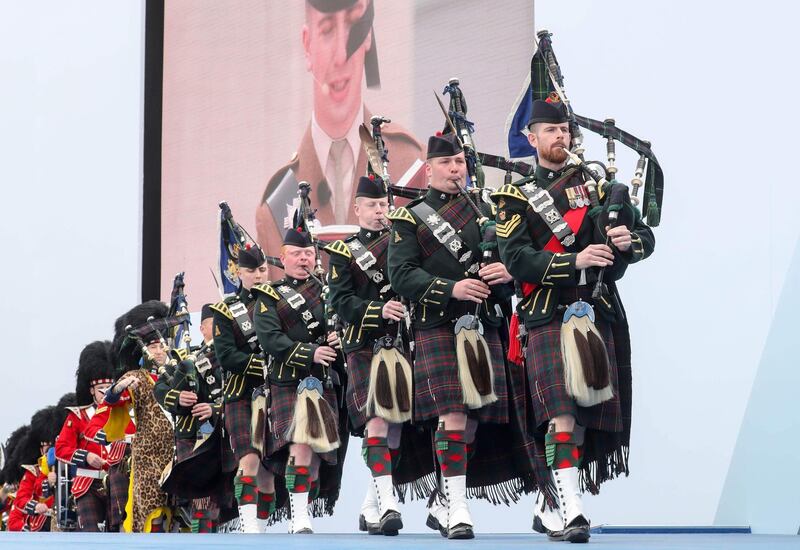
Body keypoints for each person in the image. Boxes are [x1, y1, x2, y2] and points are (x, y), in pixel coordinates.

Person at [493, 99, 655, 543]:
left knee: (580, 414)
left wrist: (626, 240)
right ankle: (573, 511)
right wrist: (575, 260)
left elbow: (645, 238)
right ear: (532, 139)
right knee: (560, 412)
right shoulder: (514, 197)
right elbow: (517, 259)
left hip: (594, 311)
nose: (560, 137)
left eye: (564, 130)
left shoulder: (600, 188)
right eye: (550, 131)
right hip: (546, 313)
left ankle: (550, 503)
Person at [387, 133, 525, 539]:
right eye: (446, 163)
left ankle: (447, 498)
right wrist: (452, 288)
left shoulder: (490, 212)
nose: (454, 169)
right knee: (453, 413)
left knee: (472, 420)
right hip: (438, 324)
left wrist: (508, 274)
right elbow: (402, 273)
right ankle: (458, 506)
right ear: (429, 169)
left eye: (460, 162)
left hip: (483, 324)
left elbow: (512, 258)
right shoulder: (410, 217)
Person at [256, 0, 424, 267]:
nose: (340, 54)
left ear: (367, 36)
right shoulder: (277, 203)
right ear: (307, 43)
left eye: (353, 28)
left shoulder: (410, 160)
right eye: (326, 30)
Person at [326, 175, 436, 535]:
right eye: (372, 206)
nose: (379, 211)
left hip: (405, 341)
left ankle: (373, 503)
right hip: (365, 344)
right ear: (357, 208)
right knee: (376, 420)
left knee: (396, 426)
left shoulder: (403, 239)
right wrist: (377, 311)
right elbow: (340, 302)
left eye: (384, 205)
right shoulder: (343, 253)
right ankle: (388, 504)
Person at [253, 228, 347, 534]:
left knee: (318, 454)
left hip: (323, 381)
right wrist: (310, 352)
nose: (303, 259)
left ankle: (303, 508)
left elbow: (342, 327)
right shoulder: (270, 296)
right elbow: (271, 340)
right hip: (288, 381)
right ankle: (298, 517)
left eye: (308, 253)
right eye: (296, 253)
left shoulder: (328, 292)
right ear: (283, 258)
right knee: (301, 446)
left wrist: (338, 337)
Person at [210, 246, 276, 533]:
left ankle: (261, 530)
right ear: (238, 273)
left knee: (269, 471)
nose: (259, 276)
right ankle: (250, 532)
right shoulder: (225, 311)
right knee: (249, 461)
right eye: (251, 271)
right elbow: (227, 356)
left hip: (276, 391)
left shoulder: (279, 300)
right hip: (241, 395)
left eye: (262, 269)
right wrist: (262, 363)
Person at [99, 301, 177, 533]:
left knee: (178, 518)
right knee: (151, 517)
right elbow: (113, 401)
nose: (159, 351)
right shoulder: (136, 377)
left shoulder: (180, 372)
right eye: (153, 347)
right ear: (143, 351)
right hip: (149, 458)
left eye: (162, 346)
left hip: (177, 454)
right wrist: (118, 387)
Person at [55, 341, 128, 532]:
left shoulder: (124, 413)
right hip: (88, 483)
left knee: (120, 529)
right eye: (100, 389)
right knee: (90, 532)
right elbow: (61, 449)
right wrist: (85, 457)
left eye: (109, 387)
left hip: (117, 480)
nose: (105, 393)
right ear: (91, 391)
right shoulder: (77, 416)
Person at [14, 407, 60, 532]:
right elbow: (21, 499)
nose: (50, 449)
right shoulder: (34, 472)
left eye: (52, 445)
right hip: (43, 523)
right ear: (40, 449)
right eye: (46, 445)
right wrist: (36, 505)